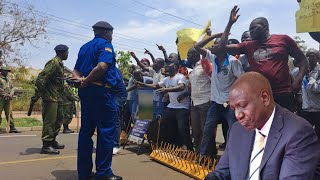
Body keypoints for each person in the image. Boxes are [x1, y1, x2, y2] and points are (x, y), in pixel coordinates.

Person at [205, 72, 320, 180]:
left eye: (243, 105)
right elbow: (222, 173)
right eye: (234, 109)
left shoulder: (298, 133)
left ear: (265, 98)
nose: (238, 115)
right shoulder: (237, 130)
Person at [219, 5, 308, 112]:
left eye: (253, 28)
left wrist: (298, 80)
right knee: (263, 126)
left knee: (284, 125)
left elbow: (303, 60)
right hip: (260, 94)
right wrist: (230, 23)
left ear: (265, 27)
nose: (250, 31)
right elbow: (222, 47)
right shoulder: (248, 45)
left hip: (283, 93)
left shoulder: (283, 39)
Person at [73, 21, 122, 180]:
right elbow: (102, 67)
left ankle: (84, 173)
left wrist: (81, 81)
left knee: (86, 132)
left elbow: (76, 70)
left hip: (86, 93)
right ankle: (103, 174)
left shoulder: (84, 47)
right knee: (106, 132)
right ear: (107, 32)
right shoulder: (106, 45)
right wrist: (86, 80)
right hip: (102, 93)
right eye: (112, 33)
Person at [194, 26, 244, 159]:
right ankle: (202, 157)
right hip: (215, 103)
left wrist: (233, 98)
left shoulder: (233, 62)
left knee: (233, 132)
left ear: (222, 48)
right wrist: (214, 35)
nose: (211, 48)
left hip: (230, 105)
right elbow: (197, 47)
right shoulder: (213, 57)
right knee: (207, 130)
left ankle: (235, 160)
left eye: (215, 46)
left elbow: (243, 81)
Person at [137, 62, 193, 149]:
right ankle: (169, 145)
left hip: (182, 107)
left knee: (182, 129)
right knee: (162, 123)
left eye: (168, 66)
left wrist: (166, 89)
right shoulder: (166, 79)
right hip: (171, 106)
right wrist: (144, 85)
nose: (166, 67)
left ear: (175, 67)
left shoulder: (180, 76)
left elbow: (181, 87)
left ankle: (190, 148)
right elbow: (156, 85)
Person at [34, 44, 68, 154]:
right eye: (67, 52)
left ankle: (53, 140)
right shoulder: (53, 62)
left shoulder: (60, 64)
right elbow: (41, 77)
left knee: (59, 119)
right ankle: (46, 145)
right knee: (50, 121)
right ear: (62, 52)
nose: (68, 54)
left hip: (58, 97)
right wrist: (42, 92)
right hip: (50, 98)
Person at [186, 48, 211, 152]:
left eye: (189, 55)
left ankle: (208, 155)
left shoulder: (205, 65)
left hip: (205, 102)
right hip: (194, 103)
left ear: (196, 55)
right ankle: (198, 152)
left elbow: (213, 81)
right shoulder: (192, 70)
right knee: (196, 131)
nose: (187, 57)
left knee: (205, 131)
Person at [130, 51, 165, 121]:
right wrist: (135, 57)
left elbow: (157, 86)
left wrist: (144, 85)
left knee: (156, 119)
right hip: (152, 98)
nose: (153, 64)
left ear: (160, 65)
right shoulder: (154, 72)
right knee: (147, 119)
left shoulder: (162, 73)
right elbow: (143, 66)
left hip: (159, 100)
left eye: (155, 62)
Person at [301, 49, 320, 139]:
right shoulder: (300, 70)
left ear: (317, 58)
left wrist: (308, 77)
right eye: (307, 55)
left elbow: (317, 88)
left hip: (318, 110)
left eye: (312, 56)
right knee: (305, 136)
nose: (308, 58)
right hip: (305, 110)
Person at [0, 66, 20, 134]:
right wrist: (6, 95)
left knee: (9, 113)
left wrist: (11, 94)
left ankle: (12, 127)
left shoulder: (8, 79)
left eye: (7, 71)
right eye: (5, 71)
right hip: (1, 99)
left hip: (8, 99)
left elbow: (12, 87)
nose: (7, 72)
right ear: (2, 71)